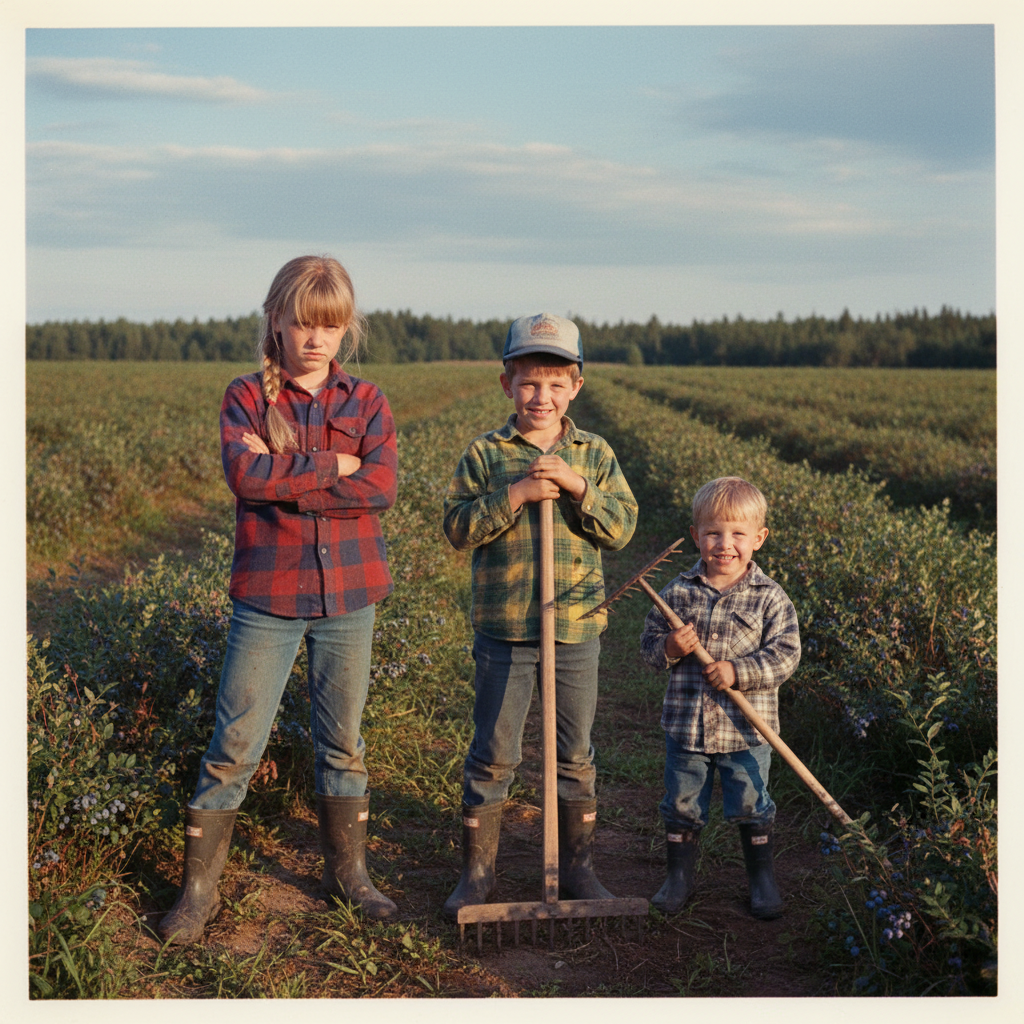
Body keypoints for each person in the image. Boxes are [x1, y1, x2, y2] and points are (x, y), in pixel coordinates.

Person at [159, 255, 399, 945]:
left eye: (328, 326)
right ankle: (197, 894)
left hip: (351, 596)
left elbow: (379, 487)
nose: (315, 339)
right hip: (268, 596)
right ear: (275, 322)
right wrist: (332, 466)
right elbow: (246, 477)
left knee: (343, 743)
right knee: (234, 744)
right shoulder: (245, 395)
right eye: (301, 324)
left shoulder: (368, 400)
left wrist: (285, 470)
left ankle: (347, 877)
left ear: (346, 329)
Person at [440, 313, 637, 919]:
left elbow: (623, 528)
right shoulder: (487, 454)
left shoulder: (594, 454)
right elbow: (457, 528)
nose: (542, 397)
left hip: (576, 627)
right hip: (505, 630)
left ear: (576, 386)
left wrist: (578, 488)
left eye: (556, 383)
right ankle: (478, 875)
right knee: (495, 752)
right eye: (529, 383)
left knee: (574, 754)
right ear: (507, 385)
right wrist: (517, 494)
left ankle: (577, 871)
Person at [639, 476, 800, 920]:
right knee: (682, 802)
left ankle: (761, 879)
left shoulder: (771, 599)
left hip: (747, 730)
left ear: (759, 539)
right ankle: (678, 879)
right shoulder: (677, 591)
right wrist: (671, 647)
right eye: (712, 533)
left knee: (751, 801)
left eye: (737, 534)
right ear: (695, 536)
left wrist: (738, 671)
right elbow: (649, 648)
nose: (724, 544)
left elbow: (786, 656)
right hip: (687, 727)